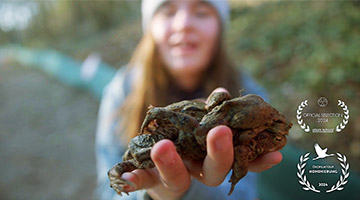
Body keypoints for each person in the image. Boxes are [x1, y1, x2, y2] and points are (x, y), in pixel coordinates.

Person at [96, 0, 283, 199]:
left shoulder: (249, 100)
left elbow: (244, 194)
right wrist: (151, 194)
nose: (183, 23)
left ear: (220, 27)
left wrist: (189, 193)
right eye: (168, 12)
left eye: (202, 12)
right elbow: (107, 186)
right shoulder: (123, 91)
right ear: (150, 26)